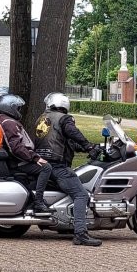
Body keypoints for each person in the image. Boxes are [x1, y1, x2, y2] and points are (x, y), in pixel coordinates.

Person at [33, 92, 102, 247]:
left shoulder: (43, 118)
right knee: (81, 195)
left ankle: (67, 224)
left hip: (43, 164)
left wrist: (88, 147)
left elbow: (63, 141)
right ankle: (80, 234)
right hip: (57, 167)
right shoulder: (64, 119)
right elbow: (72, 133)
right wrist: (89, 146)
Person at [0, 94, 54, 215]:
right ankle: (38, 202)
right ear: (10, 107)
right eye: (18, 108)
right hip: (18, 161)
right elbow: (16, 148)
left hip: (13, 160)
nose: (19, 110)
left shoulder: (0, 119)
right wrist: (35, 158)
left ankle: (31, 196)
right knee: (46, 168)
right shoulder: (9, 123)